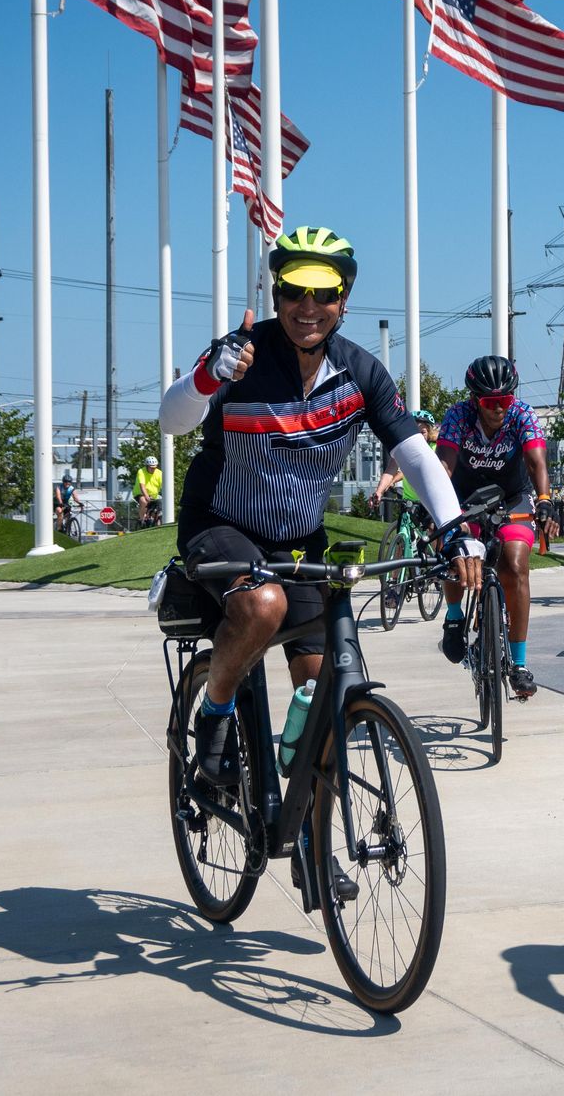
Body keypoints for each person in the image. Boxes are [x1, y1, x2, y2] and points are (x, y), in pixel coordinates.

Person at [159, 226, 482, 785]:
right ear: (276, 293)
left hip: (299, 537)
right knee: (263, 607)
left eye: (323, 294)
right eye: (294, 292)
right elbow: (171, 420)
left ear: (343, 300)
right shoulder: (240, 358)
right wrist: (208, 377)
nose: (307, 308)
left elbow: (414, 454)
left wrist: (455, 529)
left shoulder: (359, 372)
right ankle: (215, 712)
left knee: (326, 699)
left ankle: (312, 846)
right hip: (220, 523)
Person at [434, 355, 553, 700]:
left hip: (512, 496)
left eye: (505, 400)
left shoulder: (523, 415)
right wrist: (439, 509)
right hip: (466, 496)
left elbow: (536, 461)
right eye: (490, 402)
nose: (499, 409)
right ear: (475, 399)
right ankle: (455, 616)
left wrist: (544, 498)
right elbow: (445, 464)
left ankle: (518, 663)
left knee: (515, 565)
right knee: (455, 547)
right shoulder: (458, 415)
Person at [371, 409, 438, 522]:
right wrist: (379, 491)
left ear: (430, 432)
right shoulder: (405, 447)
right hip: (409, 499)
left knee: (433, 530)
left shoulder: (436, 449)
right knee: (403, 530)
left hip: (431, 500)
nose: (419, 436)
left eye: (423, 432)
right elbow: (390, 470)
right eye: (415, 431)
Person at [134, 454, 165, 527]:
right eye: (151, 468)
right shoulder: (141, 471)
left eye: (154, 467)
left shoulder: (159, 473)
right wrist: (146, 496)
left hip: (154, 495)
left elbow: (164, 485)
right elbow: (142, 485)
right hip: (140, 493)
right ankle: (142, 520)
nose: (153, 469)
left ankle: (157, 524)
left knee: (159, 508)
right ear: (147, 466)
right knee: (143, 501)